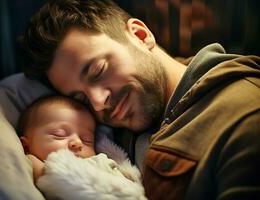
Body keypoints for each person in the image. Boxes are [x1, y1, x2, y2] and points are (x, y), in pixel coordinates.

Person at [21, 0, 260, 199]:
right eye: (80, 97)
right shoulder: (114, 127)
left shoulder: (244, 116)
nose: (97, 103)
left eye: (97, 70)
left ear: (141, 35)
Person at [18, 94, 146, 200]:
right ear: (26, 146)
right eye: (60, 135)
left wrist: (39, 169)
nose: (77, 142)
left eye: (87, 140)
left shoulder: (100, 161)